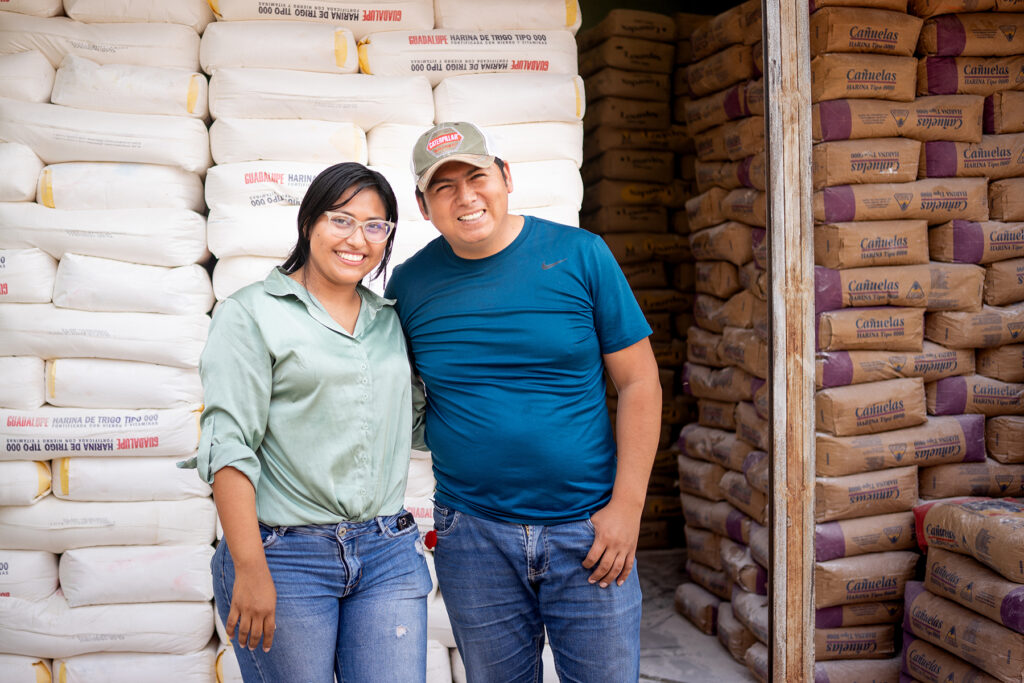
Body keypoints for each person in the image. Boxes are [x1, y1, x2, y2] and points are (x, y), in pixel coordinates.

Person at [385, 122, 662, 682]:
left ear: (505, 177)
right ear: (423, 205)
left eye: (477, 176)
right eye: (444, 187)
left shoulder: (580, 255)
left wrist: (627, 509)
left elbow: (639, 384)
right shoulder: (409, 286)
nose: (465, 197)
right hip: (473, 537)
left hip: (589, 532)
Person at [191, 163, 432, 683]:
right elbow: (229, 448)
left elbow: (415, 424)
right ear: (309, 223)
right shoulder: (251, 313)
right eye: (341, 219)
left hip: (387, 550)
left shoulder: (388, 319)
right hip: (286, 556)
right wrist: (251, 570)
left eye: (376, 225)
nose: (358, 239)